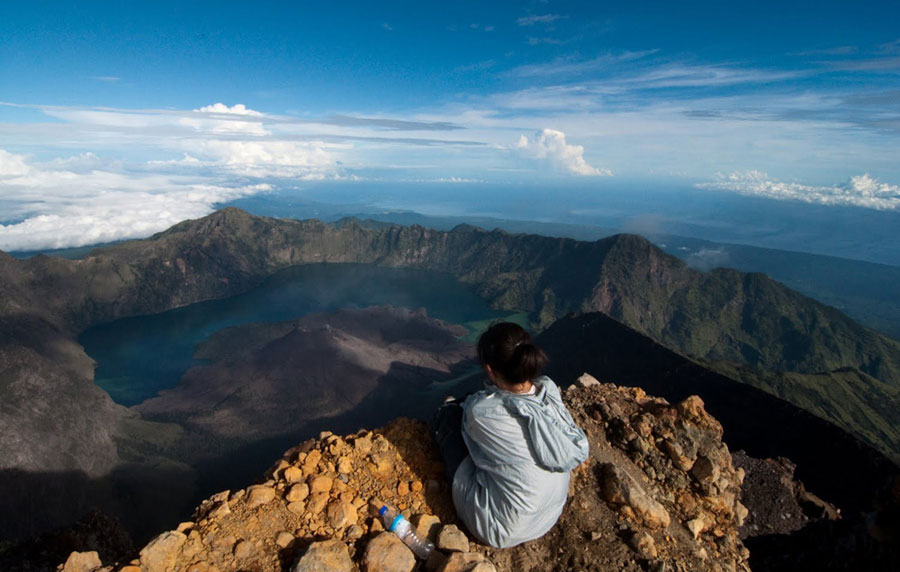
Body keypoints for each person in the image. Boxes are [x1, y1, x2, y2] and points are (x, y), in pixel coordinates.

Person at [431, 322, 589, 548]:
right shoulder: (549, 390)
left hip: (500, 528)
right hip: (548, 515)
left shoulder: (483, 413)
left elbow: (471, 425)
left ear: (489, 370)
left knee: (447, 417)